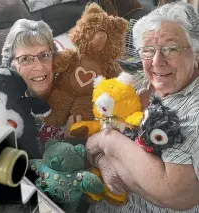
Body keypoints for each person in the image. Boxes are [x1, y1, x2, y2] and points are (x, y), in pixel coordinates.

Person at [85, 2, 199, 213]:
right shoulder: (135, 81)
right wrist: (101, 159)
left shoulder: (194, 110)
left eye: (170, 49)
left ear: (196, 51)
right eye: (147, 50)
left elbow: (176, 193)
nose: (157, 61)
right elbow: (93, 130)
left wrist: (106, 141)